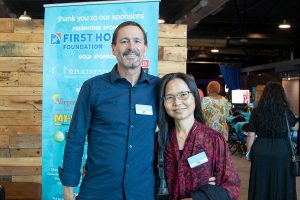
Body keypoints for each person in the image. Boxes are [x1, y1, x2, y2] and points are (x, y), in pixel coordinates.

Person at [58, 21, 160, 199]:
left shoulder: (158, 88)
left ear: (145, 47)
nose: (131, 47)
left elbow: (180, 131)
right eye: (124, 41)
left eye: (137, 41)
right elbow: (76, 137)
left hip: (142, 191)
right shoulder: (92, 88)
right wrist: (68, 186)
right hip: (98, 190)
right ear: (113, 48)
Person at [157, 73, 240, 200]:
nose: (177, 102)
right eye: (169, 97)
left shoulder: (213, 140)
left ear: (195, 97)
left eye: (183, 94)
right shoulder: (159, 141)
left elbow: (232, 187)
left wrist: (203, 196)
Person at [246, 81, 299, 200]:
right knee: (282, 180)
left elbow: (251, 135)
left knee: (261, 181)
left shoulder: (256, 111)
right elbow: (295, 127)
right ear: (281, 95)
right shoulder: (285, 111)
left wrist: (248, 152)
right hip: (282, 150)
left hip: (261, 149)